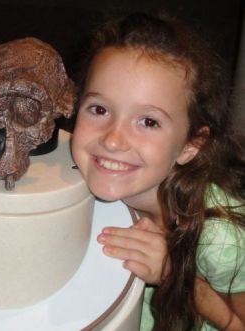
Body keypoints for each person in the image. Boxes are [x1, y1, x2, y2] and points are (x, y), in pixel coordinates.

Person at [71, 12, 245, 330]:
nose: (112, 140)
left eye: (149, 122)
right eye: (99, 109)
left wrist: (174, 274)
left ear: (191, 145)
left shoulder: (221, 240)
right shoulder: (85, 172)